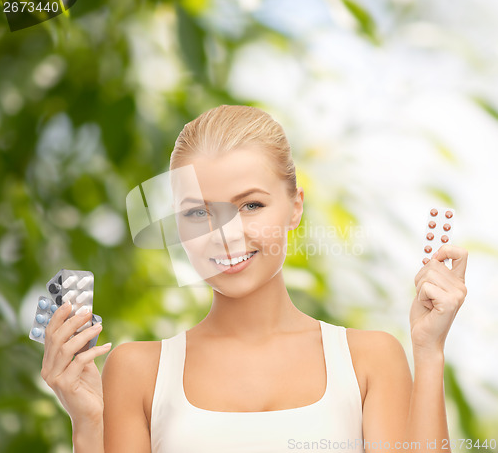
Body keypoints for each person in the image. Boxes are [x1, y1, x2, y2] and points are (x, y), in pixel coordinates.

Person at [41, 105, 468, 453]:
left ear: (295, 207)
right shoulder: (137, 370)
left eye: (250, 206)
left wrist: (429, 352)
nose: (226, 235)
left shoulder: (370, 360)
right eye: (197, 213)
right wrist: (89, 423)